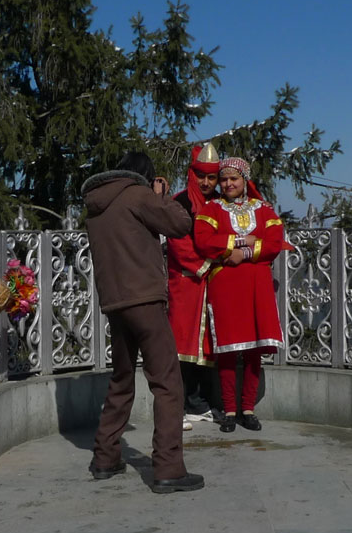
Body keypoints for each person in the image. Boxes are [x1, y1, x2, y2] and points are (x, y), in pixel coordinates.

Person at [81, 152, 205, 493]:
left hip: (114, 302)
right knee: (167, 383)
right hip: (145, 300)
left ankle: (105, 458)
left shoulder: (96, 205)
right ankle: (169, 468)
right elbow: (180, 223)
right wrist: (158, 196)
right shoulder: (137, 195)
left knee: (121, 380)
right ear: (145, 175)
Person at [193, 156, 291, 433]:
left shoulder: (264, 209)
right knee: (227, 349)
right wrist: (239, 241)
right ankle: (229, 410)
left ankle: (247, 409)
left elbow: (274, 243)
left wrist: (245, 252)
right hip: (225, 285)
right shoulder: (212, 209)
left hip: (257, 285)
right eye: (224, 179)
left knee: (253, 350)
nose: (227, 184)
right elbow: (203, 240)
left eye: (233, 179)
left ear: (245, 180)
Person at [167, 143, 224, 425]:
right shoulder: (180, 203)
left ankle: (199, 404)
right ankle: (178, 406)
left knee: (208, 348)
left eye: (211, 177)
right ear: (192, 174)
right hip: (187, 284)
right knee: (183, 347)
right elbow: (178, 244)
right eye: (201, 176)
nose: (206, 182)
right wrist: (210, 263)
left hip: (212, 285)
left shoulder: (221, 204)